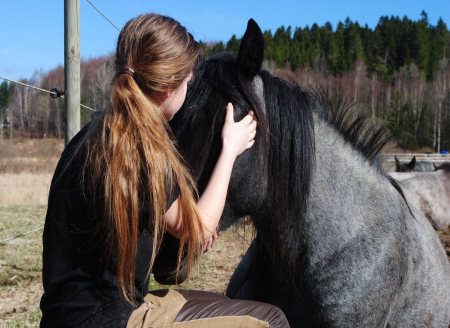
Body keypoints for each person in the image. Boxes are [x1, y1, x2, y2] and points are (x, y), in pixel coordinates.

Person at [39, 13, 289, 328]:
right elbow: (196, 228)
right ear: (168, 87)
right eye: (188, 82)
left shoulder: (96, 137)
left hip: (86, 312)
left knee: (264, 313)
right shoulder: (138, 148)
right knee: (266, 325)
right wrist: (229, 149)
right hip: (105, 320)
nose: (188, 90)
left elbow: (132, 235)